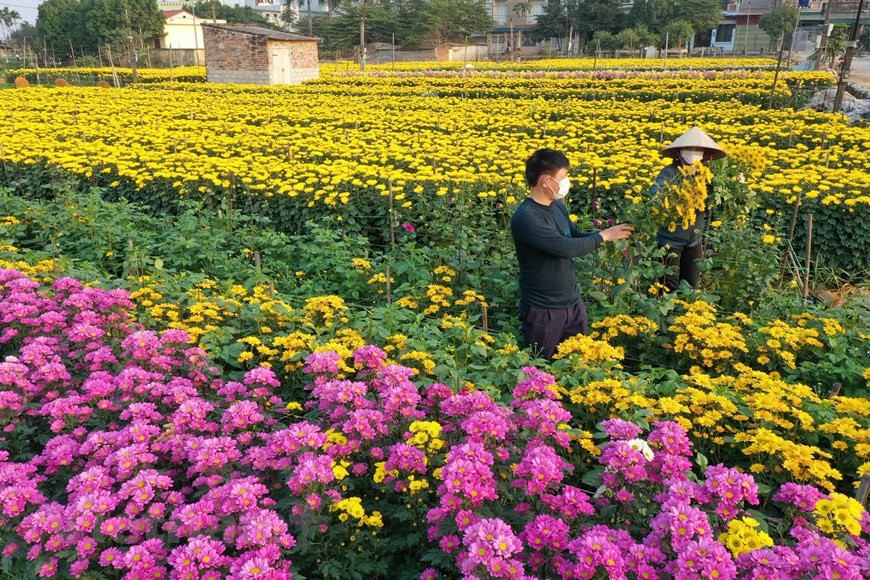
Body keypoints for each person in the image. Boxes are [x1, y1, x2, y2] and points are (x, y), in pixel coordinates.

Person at [510, 149, 634, 360]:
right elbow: (566, 247)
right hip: (544, 309)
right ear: (546, 181)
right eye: (563, 177)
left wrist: (613, 234)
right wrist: (604, 236)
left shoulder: (556, 206)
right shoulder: (527, 218)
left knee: (577, 362)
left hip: (572, 303)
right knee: (541, 368)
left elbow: (574, 235)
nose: (567, 182)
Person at [653, 127, 727, 292]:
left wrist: (734, 188)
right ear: (680, 152)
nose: (694, 153)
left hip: (694, 240)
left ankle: (685, 316)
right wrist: (676, 195)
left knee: (691, 287)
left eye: (698, 149)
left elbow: (719, 201)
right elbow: (655, 193)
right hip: (670, 241)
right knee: (667, 288)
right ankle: (664, 317)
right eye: (690, 149)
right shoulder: (670, 172)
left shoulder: (707, 175)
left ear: (704, 154)